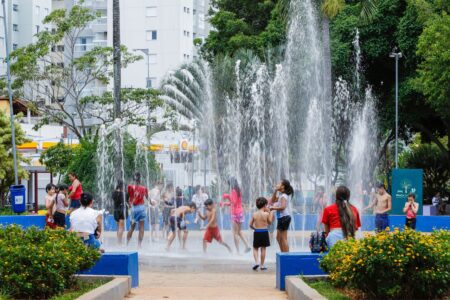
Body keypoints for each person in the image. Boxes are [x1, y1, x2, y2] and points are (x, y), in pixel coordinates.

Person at [222, 177, 251, 253]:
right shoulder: (238, 191)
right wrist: (225, 203)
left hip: (235, 213)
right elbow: (235, 202)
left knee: (235, 233)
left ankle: (238, 251)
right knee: (239, 231)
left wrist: (227, 196)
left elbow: (233, 202)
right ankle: (247, 245)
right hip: (240, 212)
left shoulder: (233, 191)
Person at [249, 197, 274, 271]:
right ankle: (262, 265)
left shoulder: (254, 214)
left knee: (255, 248)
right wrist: (270, 212)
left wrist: (255, 229)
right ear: (265, 205)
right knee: (263, 248)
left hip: (257, 232)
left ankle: (257, 262)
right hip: (264, 232)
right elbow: (270, 222)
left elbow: (250, 225)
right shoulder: (266, 214)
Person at [270, 179, 294, 252]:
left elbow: (283, 207)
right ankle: (283, 254)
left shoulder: (283, 196)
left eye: (279, 183)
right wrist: (275, 190)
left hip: (284, 217)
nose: (277, 184)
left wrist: (273, 208)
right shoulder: (281, 195)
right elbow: (273, 200)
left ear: (283, 186)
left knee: (283, 238)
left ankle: (286, 256)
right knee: (278, 238)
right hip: (282, 218)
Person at [126, 172, 148, 248]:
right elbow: (148, 198)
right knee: (141, 227)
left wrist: (129, 204)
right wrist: (152, 202)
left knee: (132, 227)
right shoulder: (144, 188)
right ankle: (139, 245)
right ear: (140, 179)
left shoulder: (130, 187)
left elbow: (128, 197)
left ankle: (127, 244)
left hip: (134, 209)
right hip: (142, 208)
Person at [112, 180, 127, 244]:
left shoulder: (114, 193)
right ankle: (119, 243)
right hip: (122, 210)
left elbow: (113, 199)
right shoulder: (124, 193)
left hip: (115, 210)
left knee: (118, 227)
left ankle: (118, 242)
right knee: (121, 228)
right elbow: (127, 200)